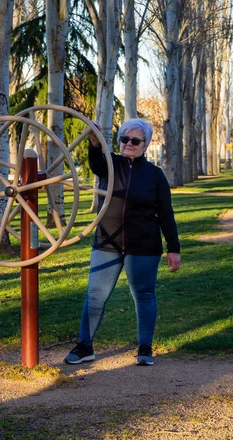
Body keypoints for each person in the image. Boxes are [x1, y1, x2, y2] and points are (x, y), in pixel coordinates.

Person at [64, 118, 181, 366]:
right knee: (95, 295)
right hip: (107, 240)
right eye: (124, 139)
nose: (128, 144)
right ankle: (85, 346)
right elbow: (96, 163)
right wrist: (94, 142)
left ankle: (144, 349)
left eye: (135, 140)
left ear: (146, 144)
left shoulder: (155, 175)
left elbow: (166, 214)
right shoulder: (111, 164)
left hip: (143, 245)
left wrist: (174, 249)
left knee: (144, 295)